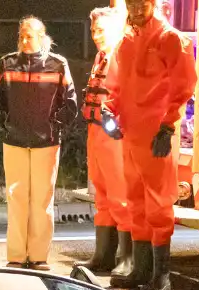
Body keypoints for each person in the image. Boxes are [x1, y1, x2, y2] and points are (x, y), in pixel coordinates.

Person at [104, 0, 196, 290]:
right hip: (130, 132)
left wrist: (168, 126)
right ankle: (142, 270)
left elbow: (184, 85)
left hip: (156, 132)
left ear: (153, 5)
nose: (137, 9)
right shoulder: (127, 40)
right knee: (135, 200)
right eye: (132, 3)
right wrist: (108, 110)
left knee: (158, 202)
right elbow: (115, 85)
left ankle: (162, 277)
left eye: (142, 4)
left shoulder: (170, 39)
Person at [0, 17, 79, 271]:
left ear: (42, 37)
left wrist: (54, 126)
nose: (23, 40)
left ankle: (39, 256)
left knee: (42, 200)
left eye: (29, 35)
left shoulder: (58, 64)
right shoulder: (7, 63)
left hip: (47, 142)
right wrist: (6, 124)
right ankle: (17, 256)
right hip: (15, 140)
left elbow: (71, 103)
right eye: (21, 35)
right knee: (16, 198)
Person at [81, 6, 128, 273]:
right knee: (102, 194)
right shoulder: (102, 56)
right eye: (94, 30)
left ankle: (125, 258)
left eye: (101, 30)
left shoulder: (120, 57)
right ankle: (103, 256)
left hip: (113, 133)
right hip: (96, 131)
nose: (96, 35)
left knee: (119, 195)